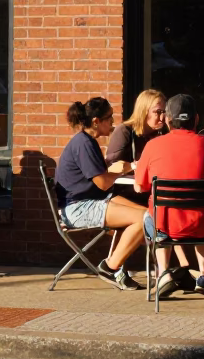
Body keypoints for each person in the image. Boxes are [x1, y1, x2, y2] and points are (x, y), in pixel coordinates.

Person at [134, 94, 204, 299]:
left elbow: (139, 186)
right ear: (196, 119)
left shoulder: (153, 145)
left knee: (150, 215)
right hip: (203, 227)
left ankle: (164, 274)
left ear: (167, 119)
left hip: (165, 227)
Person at [54, 97, 146, 290]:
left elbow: (101, 178)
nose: (113, 121)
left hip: (89, 200)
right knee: (142, 220)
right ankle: (110, 268)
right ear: (96, 121)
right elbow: (103, 183)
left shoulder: (88, 141)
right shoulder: (84, 144)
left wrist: (120, 169)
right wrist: (121, 170)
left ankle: (118, 268)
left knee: (148, 215)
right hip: (77, 208)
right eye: (109, 117)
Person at [105, 89, 168, 165]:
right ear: (143, 111)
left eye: (164, 112)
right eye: (158, 112)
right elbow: (111, 165)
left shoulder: (164, 133)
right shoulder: (124, 131)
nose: (162, 117)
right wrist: (134, 166)